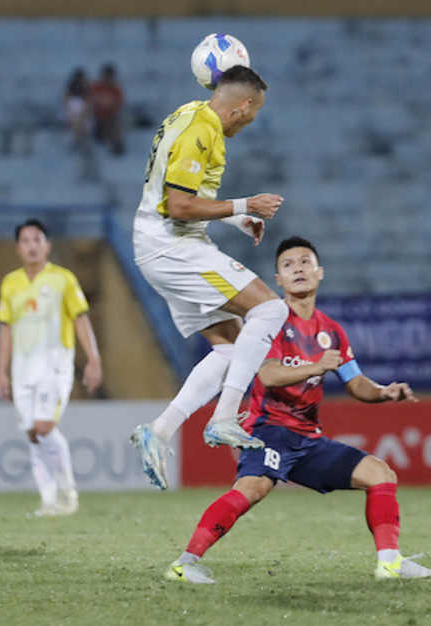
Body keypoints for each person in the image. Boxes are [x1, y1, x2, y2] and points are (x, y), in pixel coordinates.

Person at [165, 237, 431, 583]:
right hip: (268, 431)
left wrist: (384, 392)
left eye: (305, 261)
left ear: (320, 273)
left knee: (381, 474)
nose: (298, 268)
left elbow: (356, 383)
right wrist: (314, 367)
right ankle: (185, 562)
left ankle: (390, 563)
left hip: (308, 439)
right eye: (288, 264)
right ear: (278, 280)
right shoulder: (267, 321)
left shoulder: (332, 331)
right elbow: (268, 374)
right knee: (252, 489)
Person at [129, 65, 289, 490]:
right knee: (271, 308)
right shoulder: (203, 131)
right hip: (172, 247)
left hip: (163, 244)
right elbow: (178, 206)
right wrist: (245, 205)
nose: (252, 121)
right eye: (254, 112)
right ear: (244, 106)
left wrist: (237, 222)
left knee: (230, 346)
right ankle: (224, 416)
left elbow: (181, 195)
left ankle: (158, 431)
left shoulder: (189, 113)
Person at [0, 219, 103, 517]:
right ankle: (48, 501)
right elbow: (5, 330)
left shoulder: (63, 279)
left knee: (44, 426)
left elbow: (80, 318)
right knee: (32, 433)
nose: (32, 246)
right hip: (21, 369)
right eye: (26, 241)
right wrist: (2, 371)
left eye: (37, 239)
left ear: (47, 245)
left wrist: (93, 358)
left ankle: (67, 490)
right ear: (18, 247)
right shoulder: (10, 283)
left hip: (54, 366)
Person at [89, 63, 125, 155]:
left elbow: (119, 104)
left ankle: (116, 145)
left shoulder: (116, 89)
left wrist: (106, 102)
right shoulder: (95, 87)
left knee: (114, 125)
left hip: (111, 118)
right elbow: (92, 102)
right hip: (96, 119)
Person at [62, 67, 92, 153]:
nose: (80, 83)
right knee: (76, 113)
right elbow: (66, 106)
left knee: (80, 120)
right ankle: (79, 140)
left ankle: (78, 140)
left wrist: (82, 116)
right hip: (70, 117)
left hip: (85, 119)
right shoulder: (68, 94)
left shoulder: (87, 94)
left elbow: (89, 108)